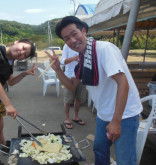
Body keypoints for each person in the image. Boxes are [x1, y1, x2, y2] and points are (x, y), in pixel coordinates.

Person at [45, 16, 143, 165]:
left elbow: (123, 83)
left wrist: (116, 121)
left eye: (74, 34)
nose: (72, 40)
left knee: (125, 160)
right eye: (67, 39)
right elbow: (71, 85)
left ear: (84, 31)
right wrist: (58, 69)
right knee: (99, 150)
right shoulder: (83, 57)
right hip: (103, 113)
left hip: (124, 115)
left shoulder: (104, 49)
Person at [61, 44, 86, 129]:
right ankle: (67, 119)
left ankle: (75, 116)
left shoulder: (85, 45)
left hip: (82, 77)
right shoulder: (67, 46)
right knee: (68, 100)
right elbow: (62, 61)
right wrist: (74, 58)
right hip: (70, 77)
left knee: (79, 99)